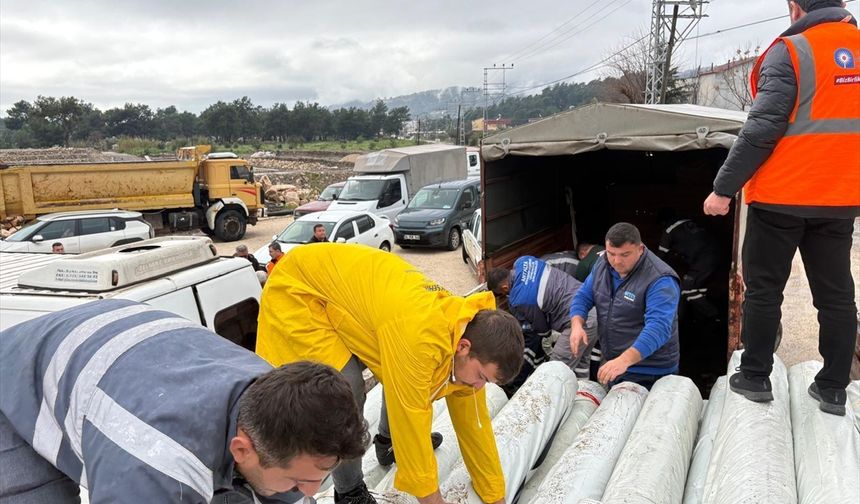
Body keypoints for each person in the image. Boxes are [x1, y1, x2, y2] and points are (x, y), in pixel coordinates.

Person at [0, 299, 369, 504]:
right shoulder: (152, 466)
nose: (312, 491)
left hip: (121, 340)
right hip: (13, 382)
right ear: (241, 449)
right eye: (300, 481)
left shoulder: (275, 397)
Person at [256, 243, 524, 504]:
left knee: (406, 375)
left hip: (350, 287)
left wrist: (495, 497)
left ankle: (386, 443)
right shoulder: (419, 339)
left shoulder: (465, 332)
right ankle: (348, 491)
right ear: (464, 348)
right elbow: (410, 415)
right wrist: (433, 499)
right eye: (482, 378)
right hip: (300, 290)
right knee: (344, 392)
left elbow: (475, 427)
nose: (478, 387)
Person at [703, 0, 859, 415]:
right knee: (837, 295)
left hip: (781, 196)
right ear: (842, 4)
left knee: (766, 289)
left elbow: (762, 128)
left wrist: (723, 189)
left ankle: (755, 377)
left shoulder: (791, 51)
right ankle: (833, 389)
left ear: (795, 7)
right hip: (841, 198)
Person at [569, 223, 681, 389]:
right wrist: (577, 325)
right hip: (616, 364)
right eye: (611, 253)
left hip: (651, 371)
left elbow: (658, 328)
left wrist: (624, 361)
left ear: (640, 249)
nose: (616, 261)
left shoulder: (660, 280)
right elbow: (583, 295)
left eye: (625, 254)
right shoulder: (602, 265)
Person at [487, 256, 598, 380]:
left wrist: (544, 334)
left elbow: (542, 328)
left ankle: (552, 398)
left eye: (503, 294)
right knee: (581, 360)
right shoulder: (524, 261)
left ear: (504, 288)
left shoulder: (519, 298)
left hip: (579, 320)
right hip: (592, 305)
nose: (506, 295)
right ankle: (583, 392)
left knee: (555, 368)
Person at [656, 213, 721, 319]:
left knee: (687, 289)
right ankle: (702, 319)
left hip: (703, 259)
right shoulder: (691, 222)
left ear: (663, 222)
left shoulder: (669, 230)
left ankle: (713, 315)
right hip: (716, 254)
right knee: (700, 288)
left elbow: (660, 256)